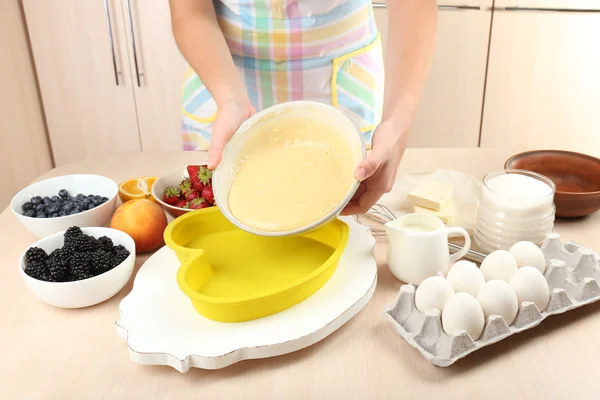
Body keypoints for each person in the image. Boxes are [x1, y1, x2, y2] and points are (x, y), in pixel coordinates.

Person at [169, 0, 437, 215]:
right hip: (223, 82)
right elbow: (191, 11)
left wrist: (398, 121)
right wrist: (229, 97)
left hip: (339, 85)